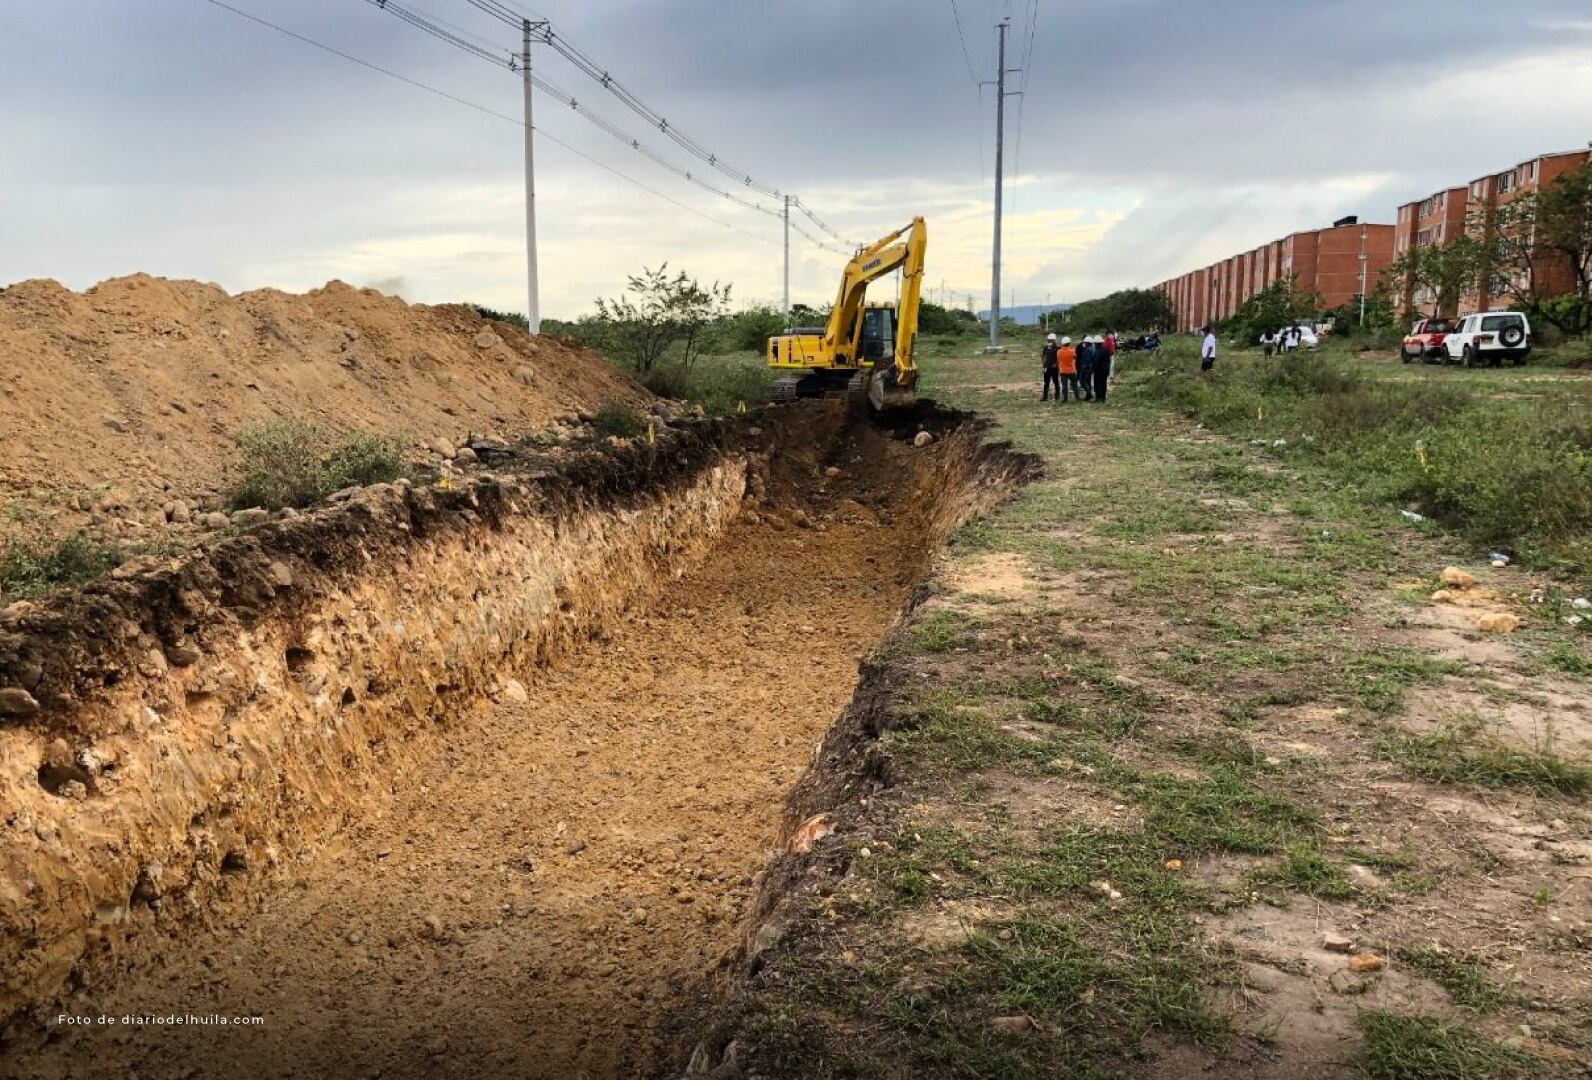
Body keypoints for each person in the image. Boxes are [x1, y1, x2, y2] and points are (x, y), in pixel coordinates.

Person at [1057, 335, 1079, 401]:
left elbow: (1058, 360)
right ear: (1069, 343)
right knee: (1074, 385)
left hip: (1063, 371)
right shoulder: (1072, 351)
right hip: (1071, 371)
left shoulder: (1059, 351)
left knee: (1064, 386)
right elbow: (1075, 357)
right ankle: (1077, 398)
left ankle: (1065, 399)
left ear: (1062, 344)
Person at [1041, 332, 1062, 401]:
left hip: (1054, 368)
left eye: (1051, 340)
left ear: (1054, 340)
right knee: (1046, 383)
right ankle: (1045, 397)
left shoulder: (1058, 348)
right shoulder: (1046, 347)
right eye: (1049, 340)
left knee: (1056, 382)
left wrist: (1056, 363)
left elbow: (1060, 357)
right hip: (1047, 367)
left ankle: (1057, 396)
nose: (1049, 341)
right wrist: (1044, 365)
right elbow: (1043, 356)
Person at [1093, 334, 1113, 402]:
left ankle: (1098, 398)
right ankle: (1103, 398)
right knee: (1103, 384)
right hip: (1105, 370)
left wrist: (1093, 368)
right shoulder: (1106, 349)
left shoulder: (1097, 351)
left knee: (1097, 384)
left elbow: (1096, 361)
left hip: (1099, 370)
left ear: (1096, 343)